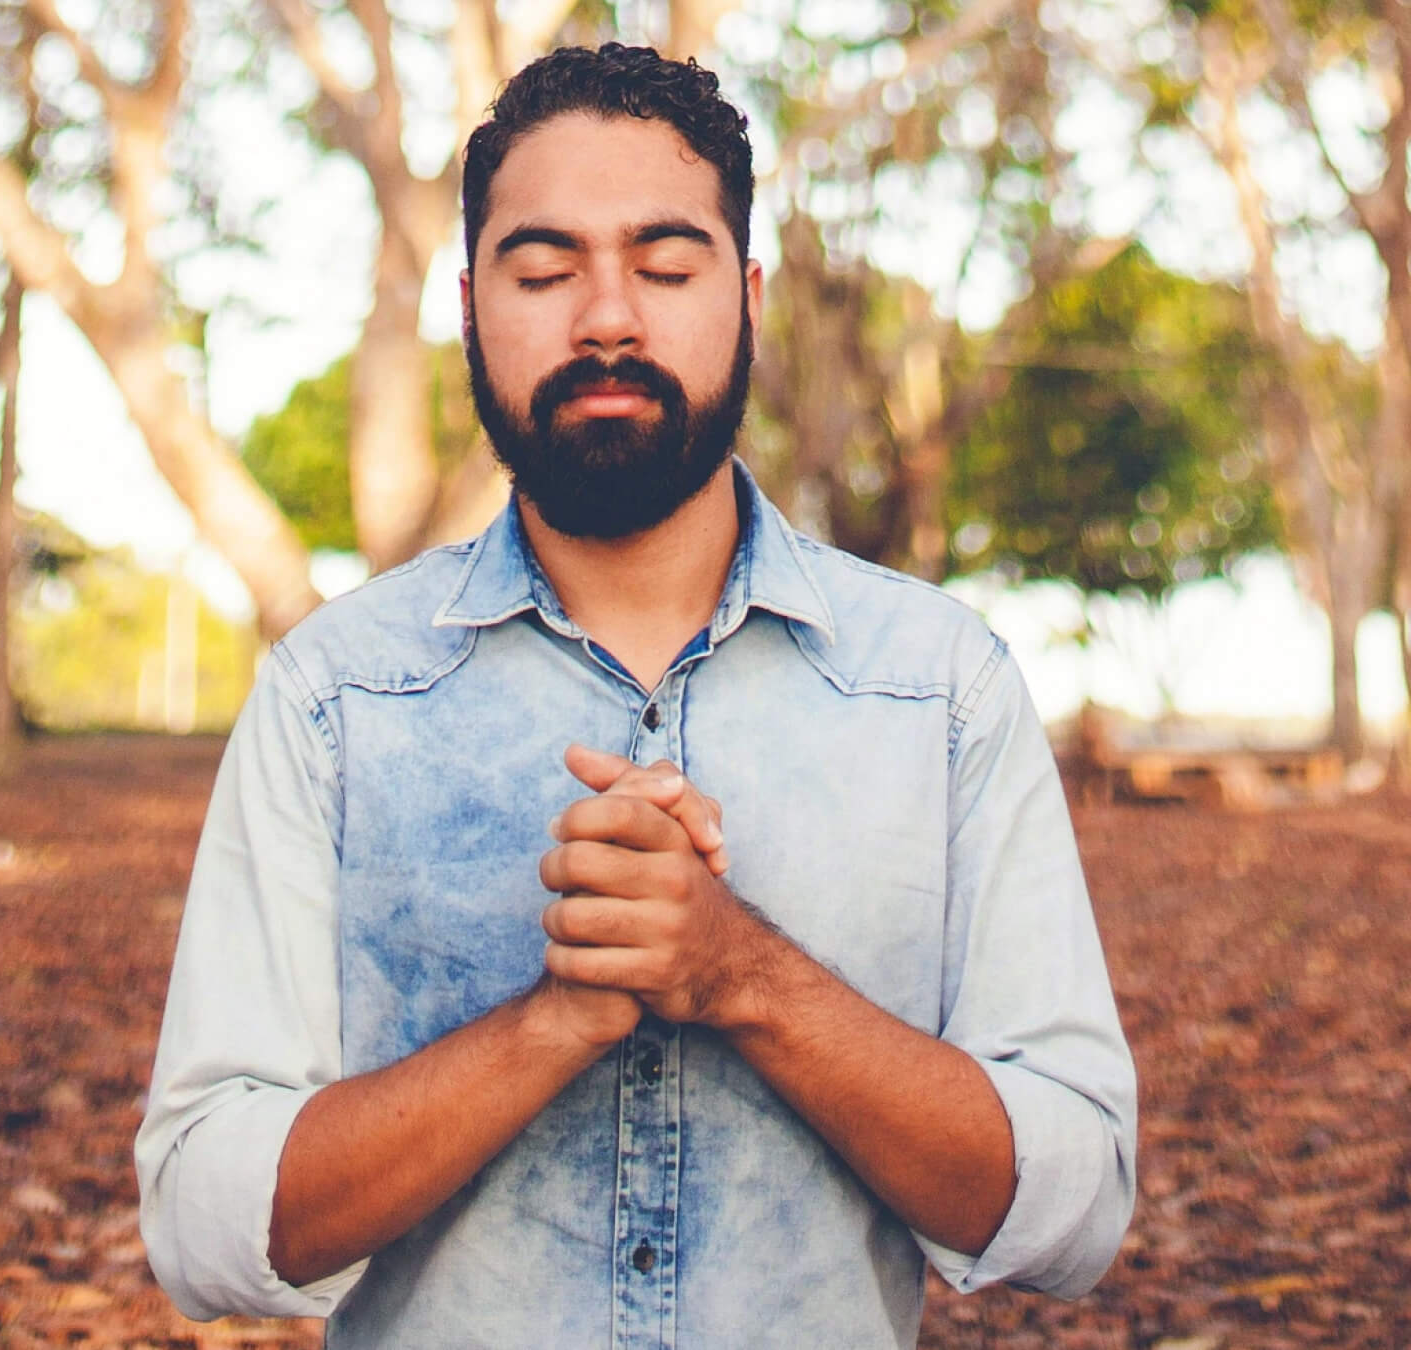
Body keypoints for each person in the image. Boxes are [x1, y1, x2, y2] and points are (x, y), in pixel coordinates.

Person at [135, 43, 1137, 1348]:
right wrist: (556, 1021)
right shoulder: (336, 695)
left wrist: (742, 975)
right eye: (545, 271)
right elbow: (204, 1230)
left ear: (750, 294)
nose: (606, 317)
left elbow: (1075, 1210)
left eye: (666, 267)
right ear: (470, 305)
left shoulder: (940, 688)